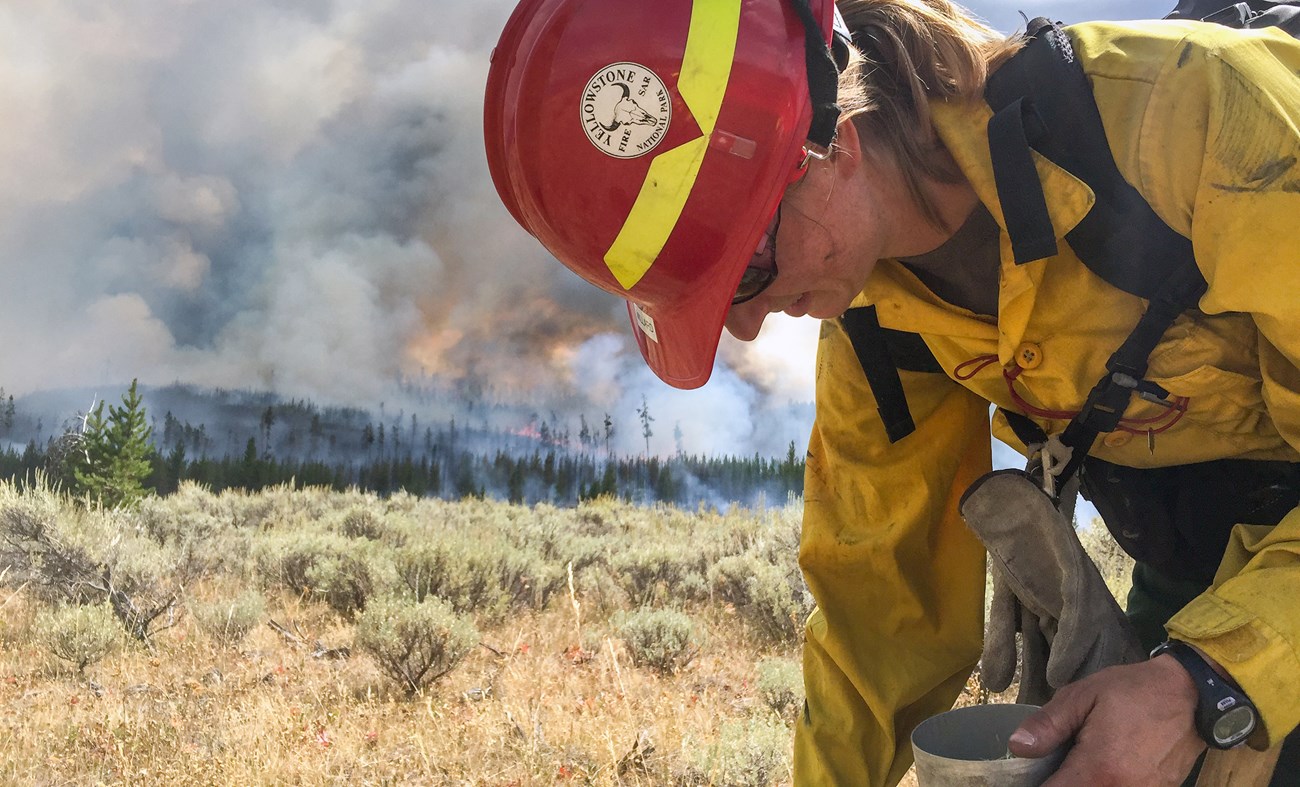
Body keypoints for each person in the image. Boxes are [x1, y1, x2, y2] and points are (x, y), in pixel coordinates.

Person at [484, 0, 1300, 783]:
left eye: (748, 273)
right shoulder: (876, 312)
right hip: (1205, 588)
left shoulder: (1201, 116)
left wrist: (1210, 682)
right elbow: (881, 619)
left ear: (826, 140)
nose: (749, 327)